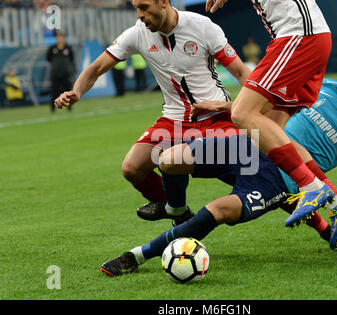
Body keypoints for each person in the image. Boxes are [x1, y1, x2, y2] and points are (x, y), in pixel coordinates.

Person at [190, 41, 337, 256]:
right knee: (173, 158)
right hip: (257, 148)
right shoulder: (324, 86)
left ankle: (167, 240)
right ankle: (177, 213)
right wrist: (220, 105)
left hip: (289, 178)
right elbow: (265, 105)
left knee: (230, 207)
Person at [54, 0, 251, 221]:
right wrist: (77, 92)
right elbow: (95, 68)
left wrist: (231, 107)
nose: (139, 14)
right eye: (136, 8)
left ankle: (291, 200)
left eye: (144, 7)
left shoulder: (202, 26)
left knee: (249, 172)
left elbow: (242, 73)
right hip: (174, 120)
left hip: (215, 117)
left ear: (164, 3)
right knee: (132, 168)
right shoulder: (137, 34)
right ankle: (175, 210)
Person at [100, 134, 337, 276]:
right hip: (248, 145)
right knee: (168, 159)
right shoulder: (326, 87)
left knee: (219, 210)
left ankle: (136, 256)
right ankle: (177, 210)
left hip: (277, 179)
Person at [204, 0, 337, 233]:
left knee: (243, 113)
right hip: (307, 37)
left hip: (299, 35)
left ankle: (311, 185)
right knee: (272, 130)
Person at [47, 31, 75, 112]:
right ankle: (52, 108)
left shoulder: (68, 48)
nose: (60, 39)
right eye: (58, 37)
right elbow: (49, 59)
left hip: (66, 73)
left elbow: (71, 59)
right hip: (55, 73)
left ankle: (69, 107)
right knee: (54, 91)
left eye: (61, 37)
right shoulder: (52, 48)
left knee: (67, 90)